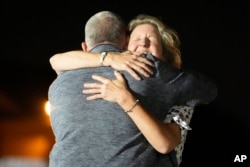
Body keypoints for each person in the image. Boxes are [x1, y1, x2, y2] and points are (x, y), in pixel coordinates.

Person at [48, 12, 217, 167]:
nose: (143, 44)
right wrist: (110, 58)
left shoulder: (60, 82)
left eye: (152, 40)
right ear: (124, 44)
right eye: (137, 39)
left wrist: (126, 97)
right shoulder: (152, 71)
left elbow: (55, 61)